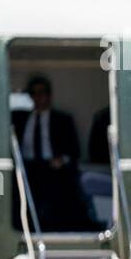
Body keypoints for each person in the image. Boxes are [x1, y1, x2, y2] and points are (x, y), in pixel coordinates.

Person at [10, 76, 88, 231]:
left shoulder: (63, 120)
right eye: (33, 93)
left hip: (52, 168)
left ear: (49, 95)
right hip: (27, 167)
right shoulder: (19, 118)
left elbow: (74, 151)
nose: (37, 97)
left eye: (41, 92)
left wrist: (61, 160)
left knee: (57, 192)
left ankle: (54, 228)